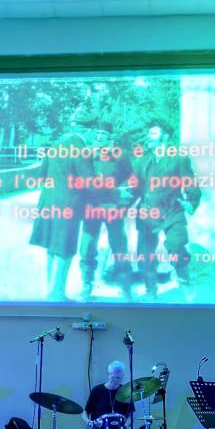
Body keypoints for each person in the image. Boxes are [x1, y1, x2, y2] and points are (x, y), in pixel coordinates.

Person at [29, 111, 95, 301]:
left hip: (48, 203)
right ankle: (57, 294)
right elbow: (91, 183)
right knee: (65, 250)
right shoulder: (81, 149)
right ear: (88, 130)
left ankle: (51, 291)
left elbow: (41, 175)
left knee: (52, 248)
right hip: (69, 207)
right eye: (93, 131)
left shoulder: (57, 144)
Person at [131, 119, 201, 299]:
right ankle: (150, 292)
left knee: (176, 245)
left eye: (153, 133)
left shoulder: (178, 157)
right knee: (145, 254)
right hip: (147, 212)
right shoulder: (142, 161)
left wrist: (191, 201)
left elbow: (190, 183)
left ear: (165, 136)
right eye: (149, 133)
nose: (148, 137)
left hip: (172, 211)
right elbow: (134, 189)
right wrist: (118, 205)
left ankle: (185, 287)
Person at [77, 121, 135, 301]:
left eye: (103, 134)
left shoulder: (119, 155)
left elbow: (130, 180)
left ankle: (125, 287)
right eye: (97, 133)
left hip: (112, 207)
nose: (99, 136)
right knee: (87, 246)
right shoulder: (86, 154)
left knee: (119, 245)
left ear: (110, 137)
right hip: (91, 207)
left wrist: (123, 204)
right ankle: (86, 287)